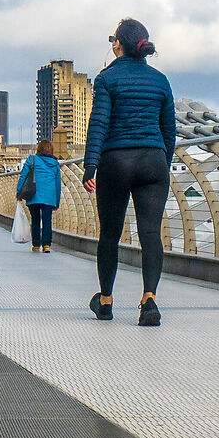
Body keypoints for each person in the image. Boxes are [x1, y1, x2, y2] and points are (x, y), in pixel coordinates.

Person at [81, 17, 176, 327]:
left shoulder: (107, 79)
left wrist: (90, 166)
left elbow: (99, 125)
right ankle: (149, 301)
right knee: (151, 234)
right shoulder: (161, 81)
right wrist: (163, 162)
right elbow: (169, 131)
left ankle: (106, 301)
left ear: (117, 45)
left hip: (116, 161)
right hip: (153, 161)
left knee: (110, 234)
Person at [16, 138, 62, 252]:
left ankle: (36, 244)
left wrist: (19, 192)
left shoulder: (32, 159)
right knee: (47, 220)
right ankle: (47, 245)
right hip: (49, 195)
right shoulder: (55, 163)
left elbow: (23, 176)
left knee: (35, 219)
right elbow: (58, 183)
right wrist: (57, 201)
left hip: (33, 193)